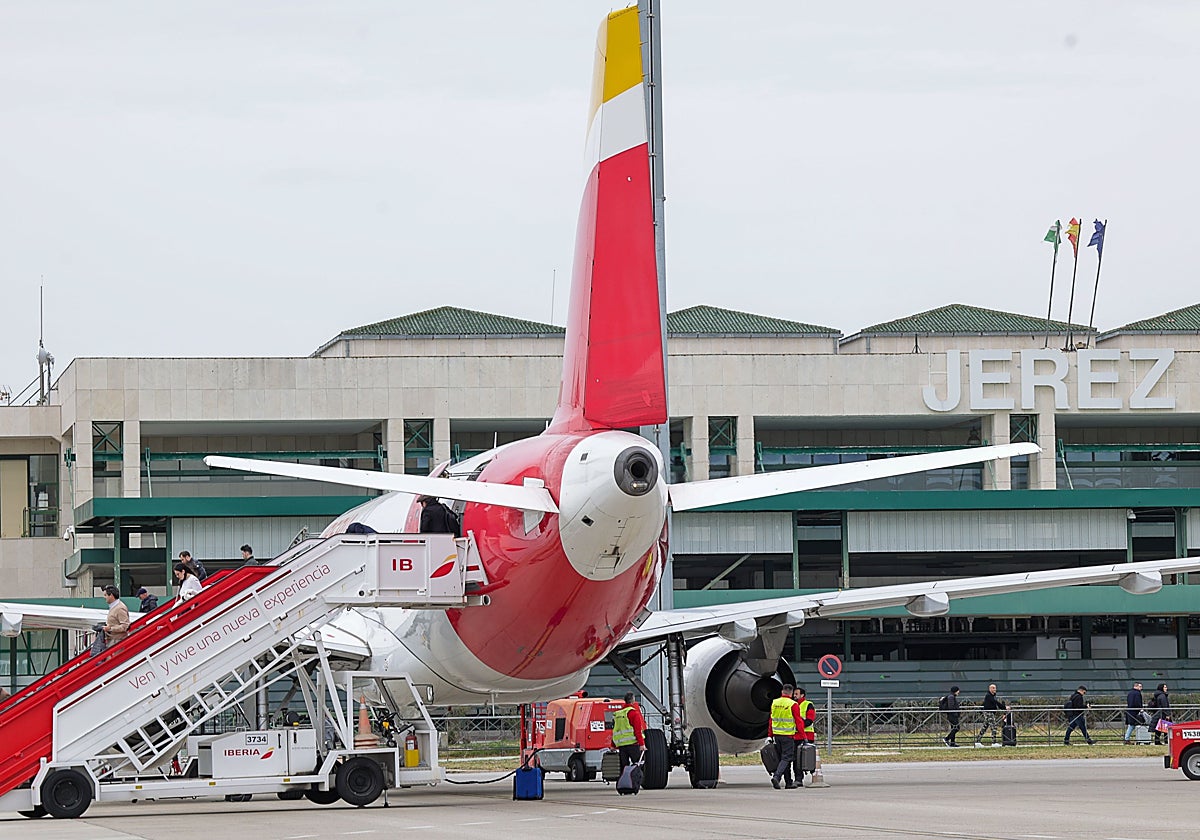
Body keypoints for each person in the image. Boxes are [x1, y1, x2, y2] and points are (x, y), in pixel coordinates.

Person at [768, 684, 802, 790]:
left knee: (783, 758)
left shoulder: (774, 703)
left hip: (777, 735)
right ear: (791, 693)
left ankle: (788, 782)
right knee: (787, 757)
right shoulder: (793, 704)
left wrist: (770, 735)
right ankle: (777, 777)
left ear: (782, 692)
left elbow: (771, 720)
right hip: (788, 736)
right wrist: (803, 735)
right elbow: (798, 721)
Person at [611, 692, 646, 769]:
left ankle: (625, 781)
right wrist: (642, 744)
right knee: (639, 765)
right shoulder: (633, 713)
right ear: (633, 700)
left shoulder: (618, 714)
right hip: (633, 744)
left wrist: (613, 745)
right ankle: (637, 780)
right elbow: (637, 731)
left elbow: (615, 730)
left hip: (621, 746)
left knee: (624, 767)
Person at [793, 686, 817, 786]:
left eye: (796, 694)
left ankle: (812, 774)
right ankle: (798, 779)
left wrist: (799, 724)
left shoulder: (808, 705)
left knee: (804, 758)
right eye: (794, 694)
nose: (794, 696)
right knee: (796, 760)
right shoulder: (793, 705)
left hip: (806, 736)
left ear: (802, 695)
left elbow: (810, 720)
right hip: (795, 736)